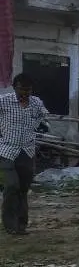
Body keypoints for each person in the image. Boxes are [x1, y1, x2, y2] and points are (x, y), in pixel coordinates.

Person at [0, 73, 49, 236]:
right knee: (11, 186)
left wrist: (40, 125)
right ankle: (9, 224)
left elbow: (44, 116)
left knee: (23, 189)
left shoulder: (36, 103)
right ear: (15, 88)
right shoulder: (4, 101)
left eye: (28, 90)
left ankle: (21, 225)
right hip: (7, 150)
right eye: (22, 89)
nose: (25, 93)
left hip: (27, 151)